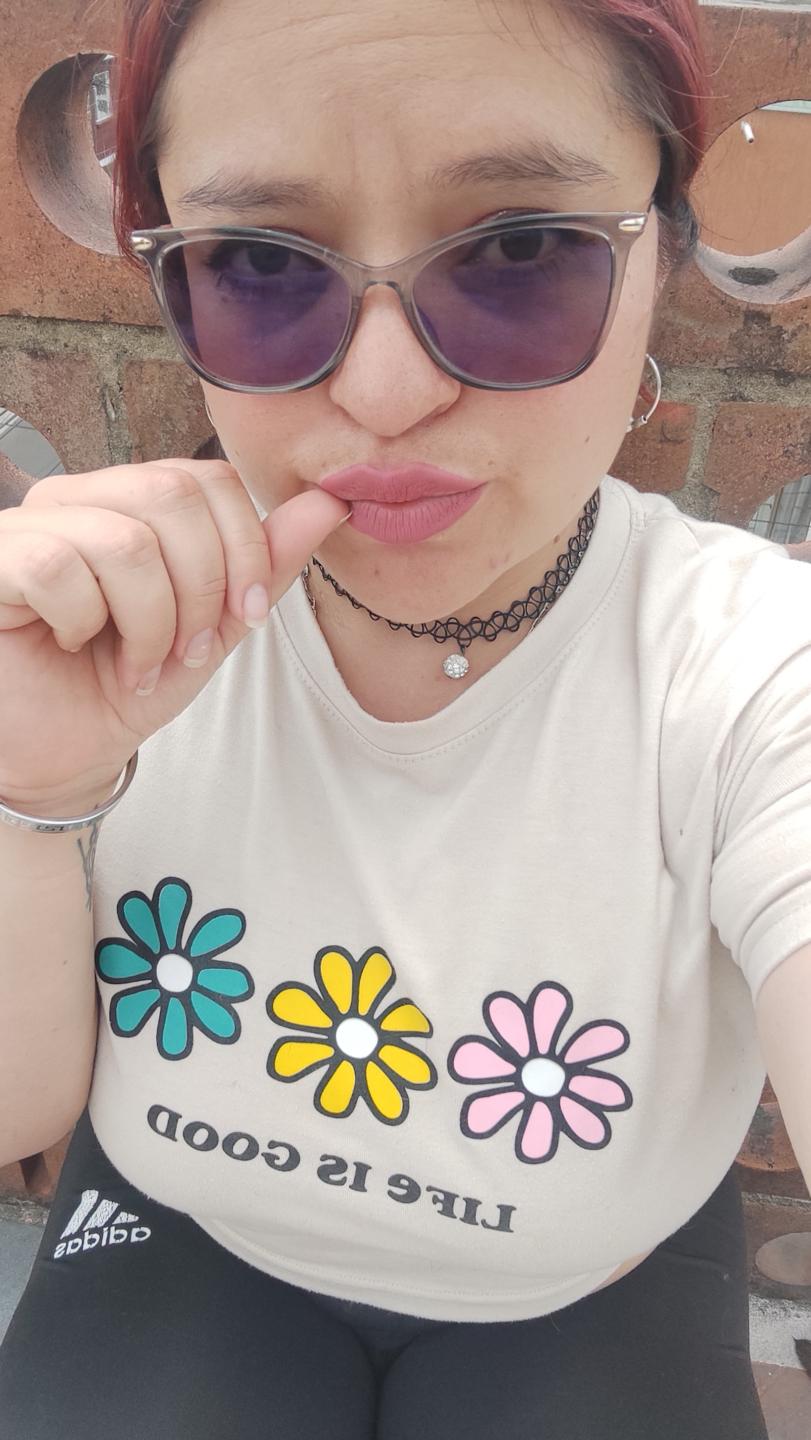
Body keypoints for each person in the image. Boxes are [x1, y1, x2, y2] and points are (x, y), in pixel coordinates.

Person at [1, 0, 808, 1434]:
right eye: (260, 264)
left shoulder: (747, 665)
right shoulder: (98, 631)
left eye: (521, 253)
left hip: (589, 1282)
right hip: (197, 1236)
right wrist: (32, 782)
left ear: (664, 255)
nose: (384, 394)